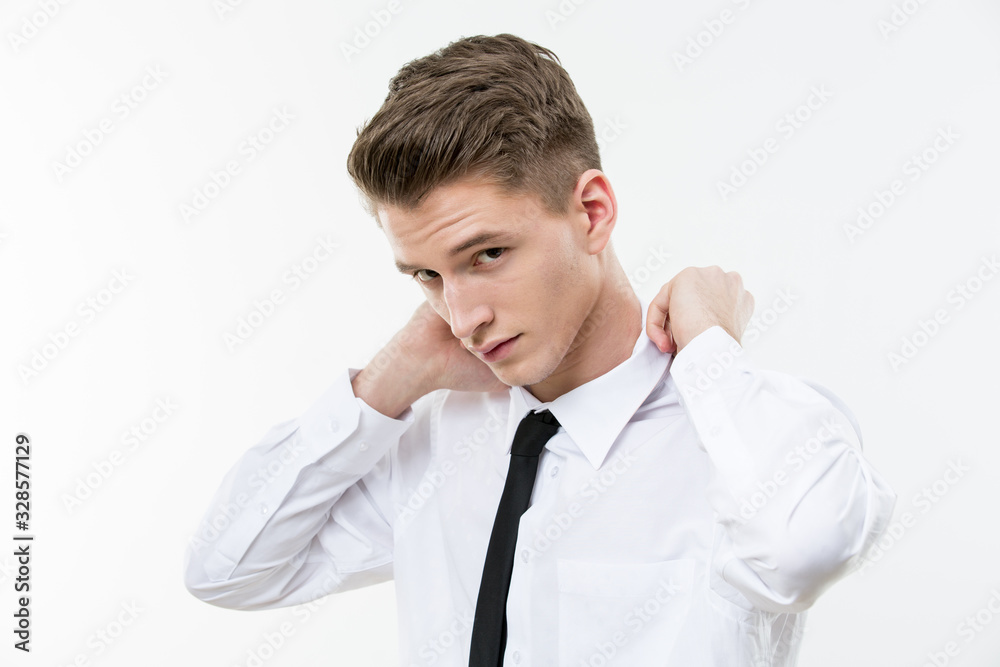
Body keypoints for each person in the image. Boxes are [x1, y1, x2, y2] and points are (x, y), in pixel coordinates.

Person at [184, 33, 896, 666]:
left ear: (591, 212)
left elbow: (807, 548)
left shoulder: (740, 435)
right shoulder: (440, 440)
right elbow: (228, 568)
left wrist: (707, 346)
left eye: (487, 253)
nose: (462, 316)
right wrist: (389, 378)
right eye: (427, 275)